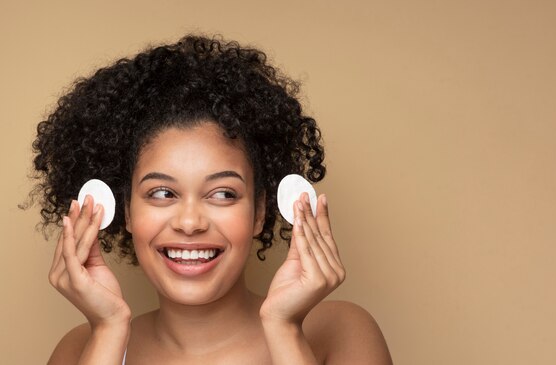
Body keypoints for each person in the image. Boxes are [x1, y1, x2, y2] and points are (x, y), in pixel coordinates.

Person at [31, 34, 392, 364]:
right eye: (162, 193)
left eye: (223, 193)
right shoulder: (79, 350)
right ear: (125, 211)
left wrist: (285, 329)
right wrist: (108, 331)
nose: (190, 223)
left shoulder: (339, 330)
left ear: (260, 212)